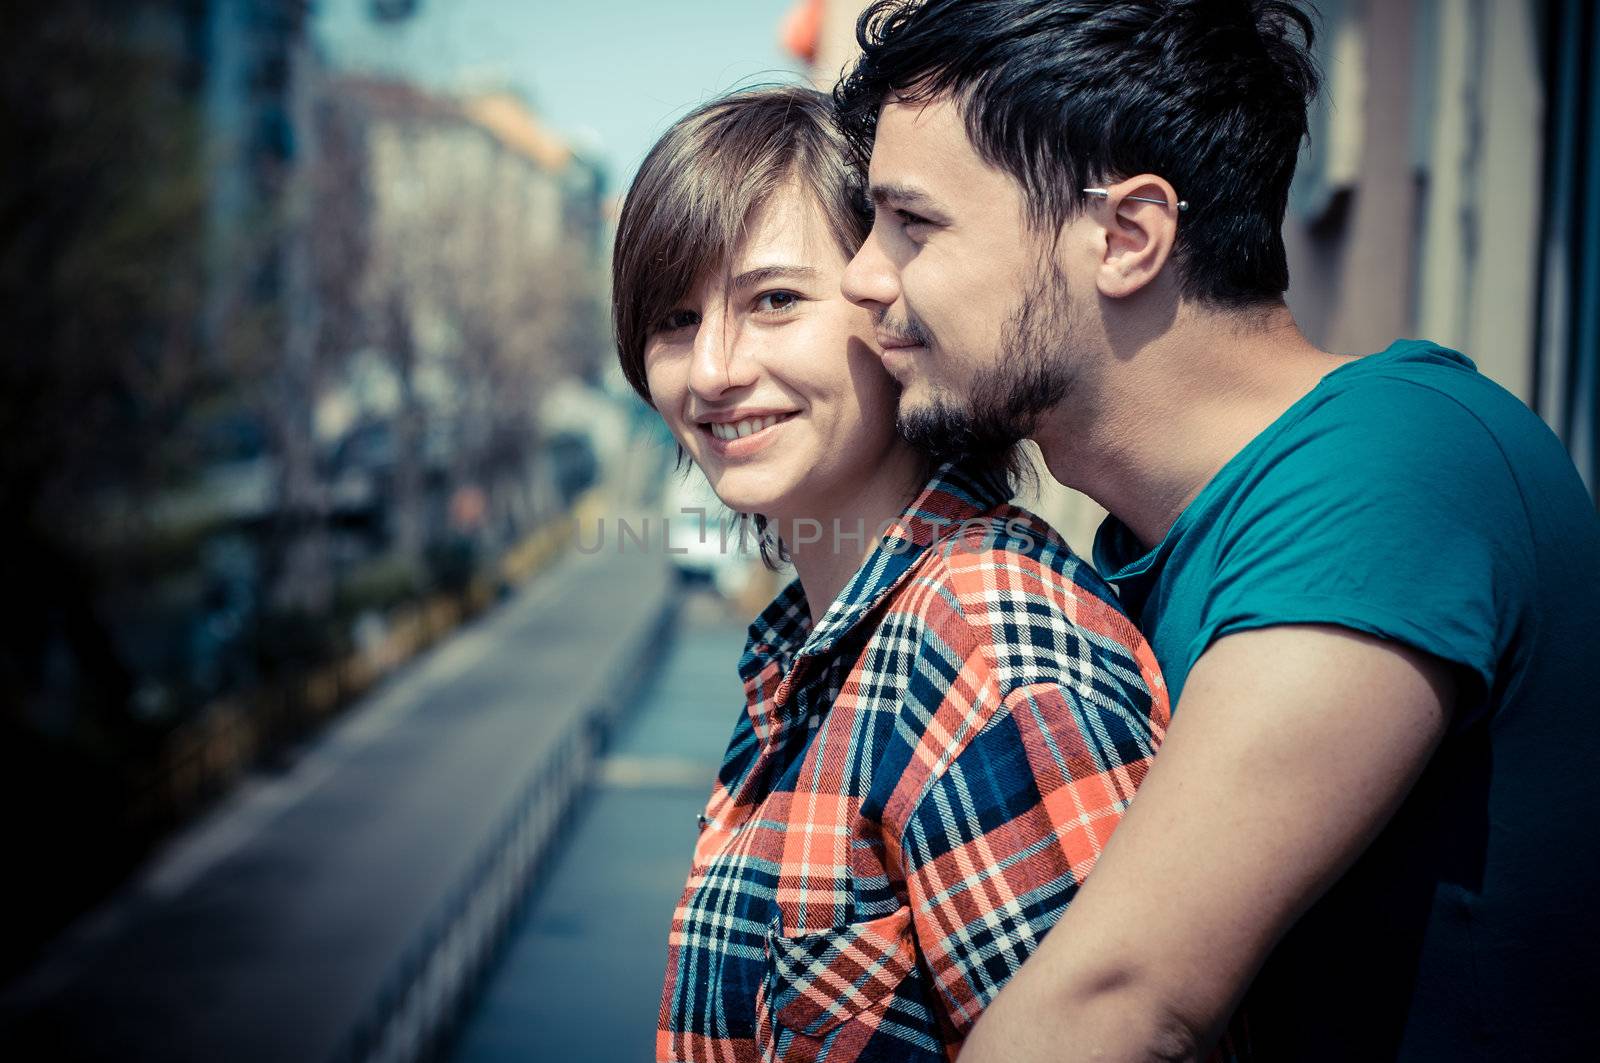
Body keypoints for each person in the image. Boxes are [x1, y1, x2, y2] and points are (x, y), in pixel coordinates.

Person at [832, 1, 1600, 1060]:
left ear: (1126, 236)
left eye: (912, 224)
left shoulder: (1397, 466)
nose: (863, 276)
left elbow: (1123, 1003)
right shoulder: (1140, 556)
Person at [613, 85, 1176, 1062]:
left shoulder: (986, 642)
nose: (709, 371)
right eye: (673, 319)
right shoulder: (816, 645)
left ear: (892, 300)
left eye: (774, 301)